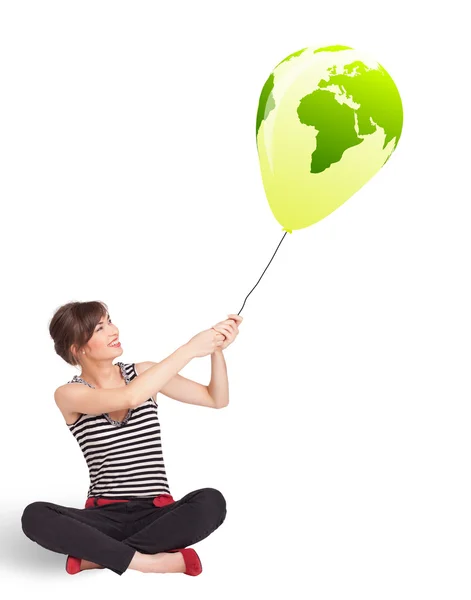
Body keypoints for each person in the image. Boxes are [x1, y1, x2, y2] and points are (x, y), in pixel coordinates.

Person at [21, 300, 243, 576]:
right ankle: (148, 561)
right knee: (35, 516)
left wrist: (215, 351)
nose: (113, 331)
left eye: (109, 321)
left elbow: (216, 399)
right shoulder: (68, 394)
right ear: (78, 349)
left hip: (157, 512)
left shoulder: (145, 373)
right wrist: (189, 349)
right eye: (100, 328)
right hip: (102, 516)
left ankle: (102, 556)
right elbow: (130, 396)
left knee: (211, 501)